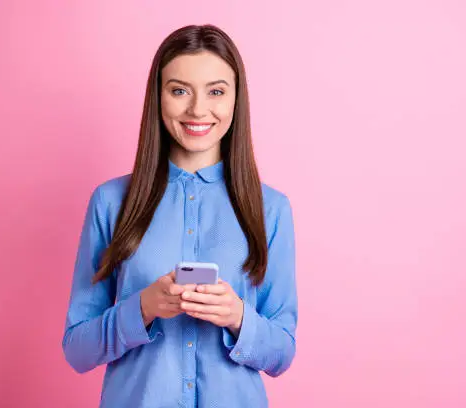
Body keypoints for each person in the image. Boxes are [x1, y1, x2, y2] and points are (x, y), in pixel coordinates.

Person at [61, 24, 297, 408]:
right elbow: (77, 350)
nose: (198, 109)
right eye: (179, 90)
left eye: (216, 91)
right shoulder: (110, 202)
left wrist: (238, 317)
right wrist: (143, 308)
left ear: (237, 100)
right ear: (159, 98)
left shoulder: (271, 209)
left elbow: (282, 352)